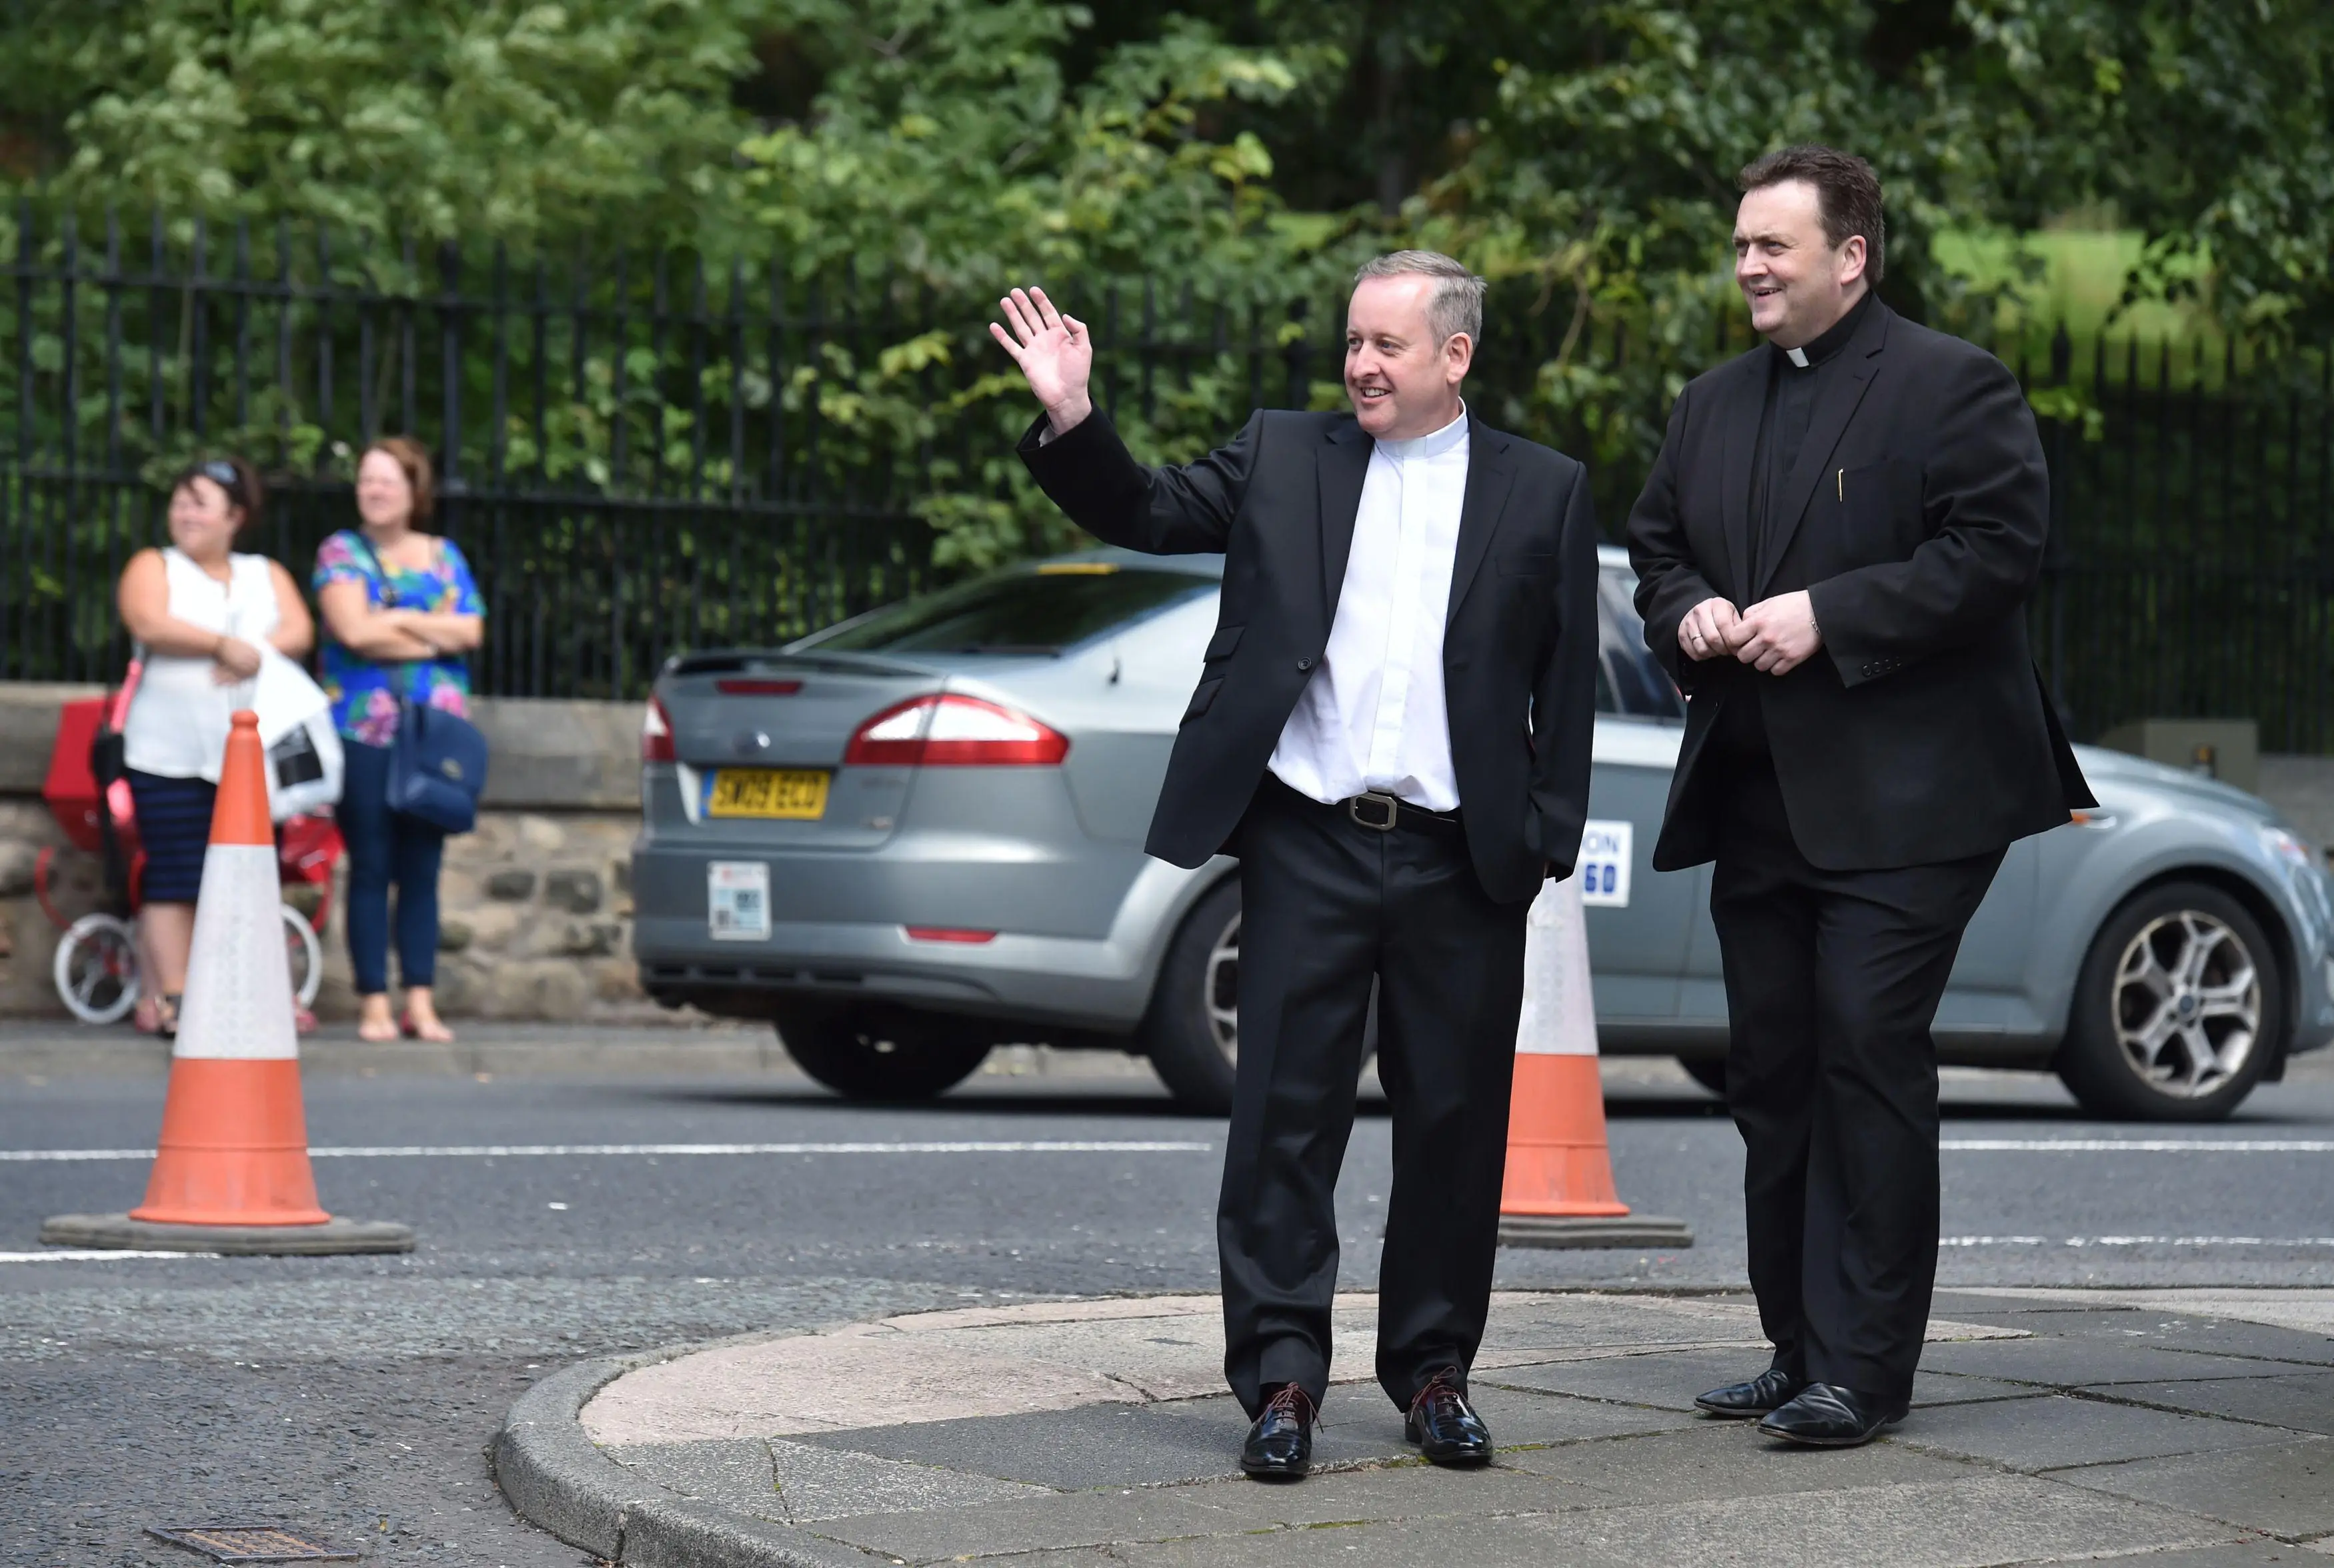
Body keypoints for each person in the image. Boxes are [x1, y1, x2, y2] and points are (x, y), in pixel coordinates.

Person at [992, 253, 1601, 1480]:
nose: (1361, 364)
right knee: (1281, 1118)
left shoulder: (1543, 490)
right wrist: (1071, 413)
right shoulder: (1284, 453)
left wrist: (1543, 839)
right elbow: (1148, 510)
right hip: (1308, 838)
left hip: (1457, 856)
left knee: (1453, 1123)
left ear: (1455, 357)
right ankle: (1281, 1377)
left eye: (1387, 345)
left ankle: (1435, 1373)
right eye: (1353, 342)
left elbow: (1567, 684)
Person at [1624, 146, 2095, 1447]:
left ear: (1851, 256)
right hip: (1758, 797)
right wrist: (1692, 610)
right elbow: (1657, 549)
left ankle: (1866, 1372)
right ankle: (1797, 1347)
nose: (1748, 267)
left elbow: (1997, 554)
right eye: (1738, 246)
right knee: (1770, 1074)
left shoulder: (1952, 385)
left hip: (1913, 801)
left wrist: (1828, 615)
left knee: (1862, 1050)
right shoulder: (1711, 404)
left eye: (1773, 246)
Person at [116, 457, 315, 1037]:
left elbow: (298, 632)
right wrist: (221, 646)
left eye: (200, 502)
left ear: (236, 517)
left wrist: (249, 650)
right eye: (180, 501)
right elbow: (149, 623)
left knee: (248, 876)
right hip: (167, 754)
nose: (185, 512)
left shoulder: (264, 572)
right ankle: (176, 999)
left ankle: (244, 996)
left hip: (251, 761)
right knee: (175, 877)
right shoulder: (155, 565)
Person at [313, 437, 485, 1045]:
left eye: (388, 481)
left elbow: (472, 630)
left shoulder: (444, 555)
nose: (375, 491)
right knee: (370, 865)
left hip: (434, 733)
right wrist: (431, 634)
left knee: (423, 869)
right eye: (367, 480)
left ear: (415, 491)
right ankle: (373, 1002)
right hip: (363, 730)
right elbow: (353, 631)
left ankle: (421, 998)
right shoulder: (341, 551)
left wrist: (397, 622)